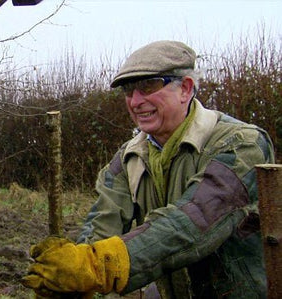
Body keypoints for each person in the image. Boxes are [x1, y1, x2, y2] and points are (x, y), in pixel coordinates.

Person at [21, 40, 275, 298]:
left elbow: (194, 221)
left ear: (185, 89)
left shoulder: (242, 144)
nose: (135, 101)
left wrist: (98, 266)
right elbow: (102, 225)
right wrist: (74, 278)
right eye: (129, 90)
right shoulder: (129, 157)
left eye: (148, 86)